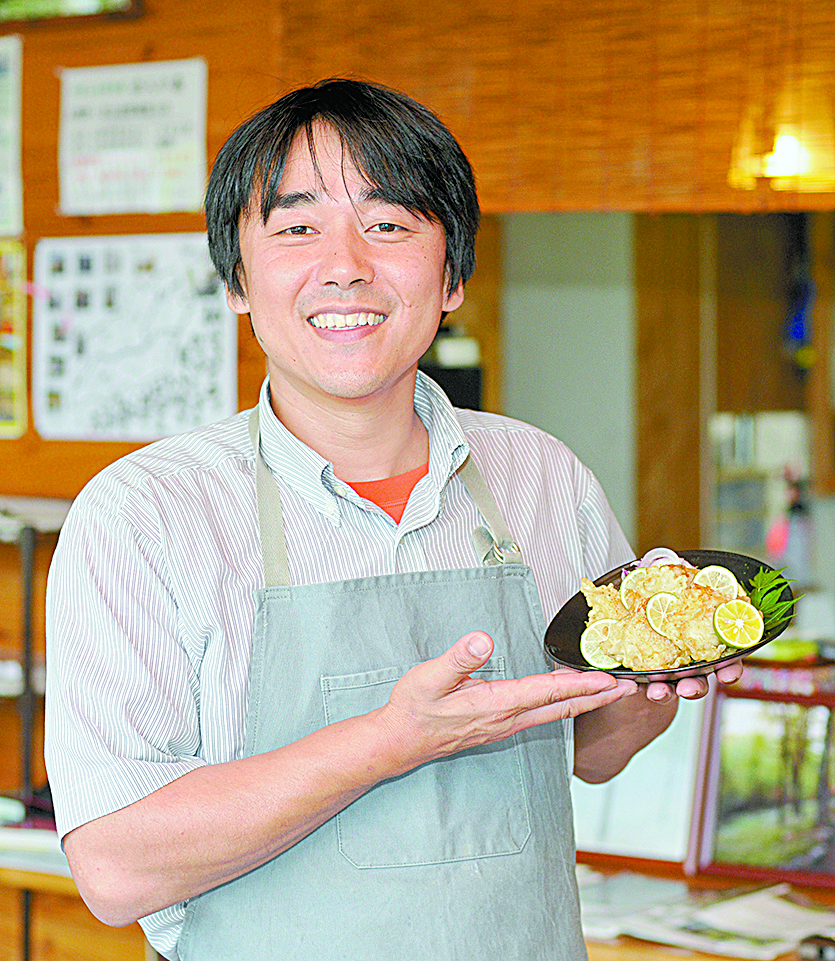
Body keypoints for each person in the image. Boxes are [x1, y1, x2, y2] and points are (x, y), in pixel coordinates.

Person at [45, 77, 741, 961]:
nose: (345, 265)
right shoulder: (145, 516)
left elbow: (590, 753)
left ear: (451, 277)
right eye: (297, 228)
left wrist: (647, 692)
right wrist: (390, 741)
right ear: (236, 280)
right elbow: (113, 869)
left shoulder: (540, 474)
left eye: (389, 224)